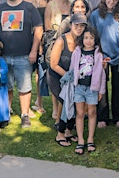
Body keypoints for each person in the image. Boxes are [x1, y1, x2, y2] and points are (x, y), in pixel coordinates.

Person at [0, 0, 43, 128]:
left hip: (23, 55)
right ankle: (6, 112)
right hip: (3, 56)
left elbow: (38, 29)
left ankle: (24, 114)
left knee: (24, 88)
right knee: (6, 86)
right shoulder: (0, 9)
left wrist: (34, 51)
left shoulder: (29, 7)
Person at [49, 14, 88, 147]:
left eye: (82, 25)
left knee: (76, 101)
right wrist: (69, 76)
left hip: (73, 78)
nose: (79, 28)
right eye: (76, 25)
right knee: (66, 101)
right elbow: (53, 64)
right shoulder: (62, 40)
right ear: (71, 25)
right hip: (57, 76)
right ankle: (60, 134)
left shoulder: (83, 41)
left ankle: (68, 131)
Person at [89, 0, 119, 128]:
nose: (112, 1)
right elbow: (92, 35)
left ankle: (118, 116)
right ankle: (102, 116)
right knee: (101, 86)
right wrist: (98, 53)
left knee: (117, 86)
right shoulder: (95, 15)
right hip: (101, 55)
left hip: (117, 55)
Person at [70, 26, 106, 154]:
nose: (88, 40)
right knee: (79, 113)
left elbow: (102, 74)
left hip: (92, 89)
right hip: (79, 87)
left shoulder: (98, 54)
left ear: (95, 39)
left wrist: (101, 91)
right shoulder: (76, 52)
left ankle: (90, 138)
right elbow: (72, 70)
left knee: (91, 112)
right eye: (86, 38)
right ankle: (80, 140)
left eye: (91, 38)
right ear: (82, 39)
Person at [23, 0, 51, 118]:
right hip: (28, 39)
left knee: (41, 73)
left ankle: (39, 101)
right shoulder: (25, 1)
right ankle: (26, 104)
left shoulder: (48, 1)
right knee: (28, 72)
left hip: (45, 39)